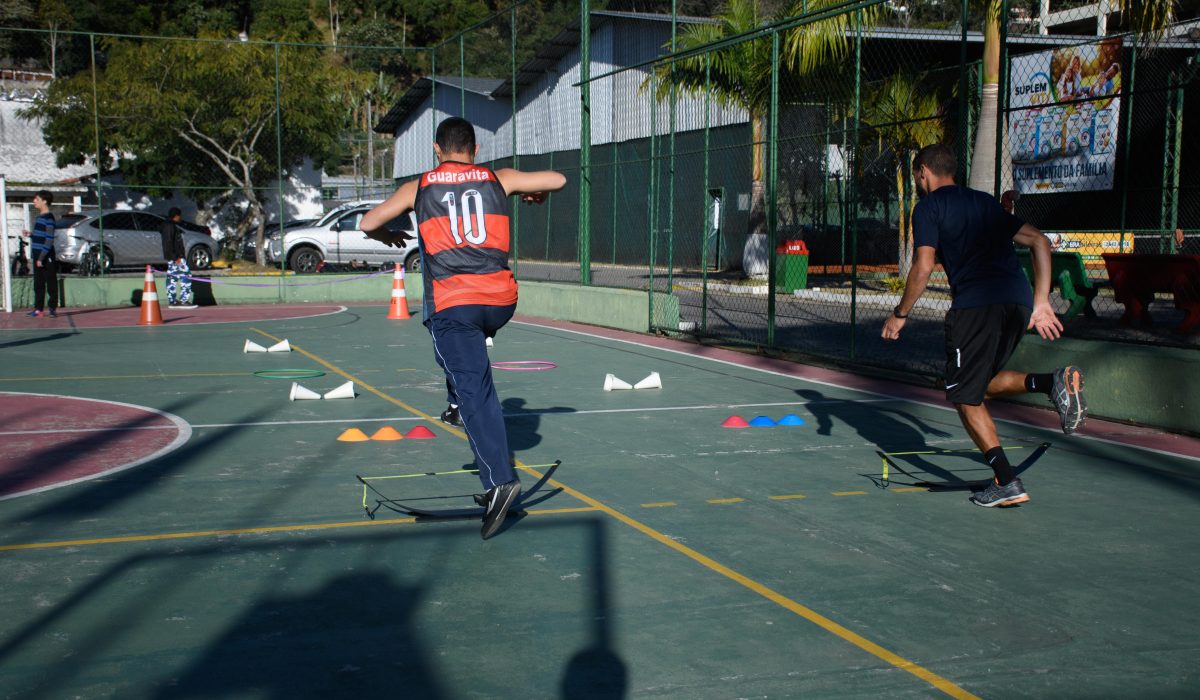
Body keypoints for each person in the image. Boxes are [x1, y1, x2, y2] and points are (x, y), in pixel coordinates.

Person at [361, 116, 566, 539]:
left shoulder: (419, 186)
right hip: (500, 301)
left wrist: (385, 235)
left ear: (437, 150)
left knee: (475, 389)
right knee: (456, 360)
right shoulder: (499, 177)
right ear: (475, 150)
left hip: (455, 304)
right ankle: (457, 405)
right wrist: (538, 192)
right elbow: (558, 179)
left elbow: (367, 222)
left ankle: (499, 482)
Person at [882, 144, 1087, 508]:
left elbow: (923, 266)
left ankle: (1006, 481)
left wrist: (900, 314)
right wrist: (1041, 301)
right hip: (1017, 302)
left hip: (977, 306)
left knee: (964, 396)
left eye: (916, 176)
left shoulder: (928, 208)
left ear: (924, 172)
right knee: (978, 384)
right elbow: (1039, 241)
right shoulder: (985, 203)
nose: (917, 182)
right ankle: (1049, 382)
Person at [22, 190, 58, 317]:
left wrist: (41, 258)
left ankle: (52, 309)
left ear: (45, 201)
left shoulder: (49, 218)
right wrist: (31, 234)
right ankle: (39, 309)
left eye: (37, 199)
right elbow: (40, 236)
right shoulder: (39, 218)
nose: (34, 201)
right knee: (38, 282)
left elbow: (49, 239)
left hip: (46, 255)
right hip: (37, 254)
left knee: (51, 281)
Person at [159, 208, 195, 308]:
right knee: (186, 276)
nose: (180, 217)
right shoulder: (170, 226)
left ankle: (172, 301)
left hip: (172, 257)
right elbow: (169, 243)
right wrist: (175, 257)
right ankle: (184, 300)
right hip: (176, 257)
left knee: (172, 278)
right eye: (180, 216)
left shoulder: (168, 226)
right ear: (176, 216)